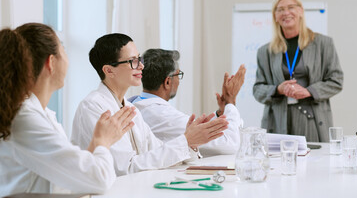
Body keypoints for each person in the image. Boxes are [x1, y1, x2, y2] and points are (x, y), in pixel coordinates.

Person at [0, 23, 135, 196]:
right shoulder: (25, 118)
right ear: (51, 62)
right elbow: (98, 180)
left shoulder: (41, 114)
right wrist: (103, 142)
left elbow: (72, 174)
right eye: (63, 50)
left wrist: (96, 142)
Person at [71, 33, 229, 175]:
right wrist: (186, 140)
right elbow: (125, 168)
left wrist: (191, 143)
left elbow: (157, 151)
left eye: (139, 59)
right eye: (133, 61)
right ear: (109, 70)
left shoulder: (131, 109)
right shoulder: (94, 107)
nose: (141, 66)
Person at [253, 0, 343, 142]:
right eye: (280, 9)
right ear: (275, 16)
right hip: (278, 122)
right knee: (279, 163)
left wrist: (308, 91)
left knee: (314, 163)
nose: (286, 13)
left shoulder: (323, 44)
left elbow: (336, 81)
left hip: (313, 121)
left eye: (291, 7)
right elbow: (257, 90)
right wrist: (277, 89)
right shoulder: (265, 52)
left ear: (300, 11)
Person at [131, 49, 246, 156]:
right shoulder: (163, 115)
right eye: (178, 75)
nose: (179, 82)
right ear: (167, 82)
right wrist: (230, 102)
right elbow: (229, 145)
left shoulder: (137, 104)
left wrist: (221, 113)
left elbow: (200, 130)